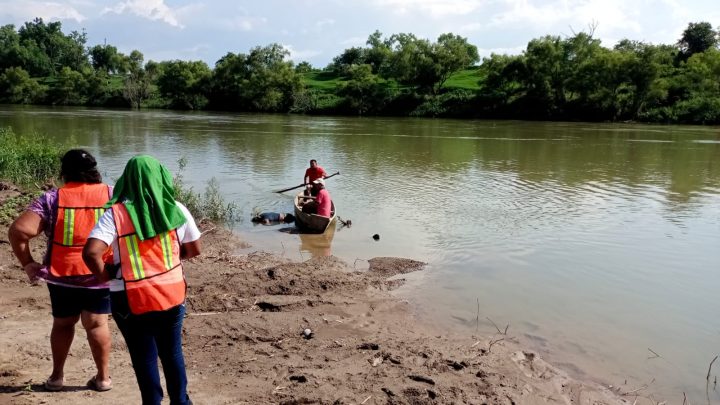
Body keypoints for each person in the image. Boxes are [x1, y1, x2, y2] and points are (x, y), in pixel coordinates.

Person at [82, 155, 201, 405]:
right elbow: (193, 249)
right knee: (172, 353)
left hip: (129, 298)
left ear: (127, 180)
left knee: (144, 357)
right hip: (171, 294)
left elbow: (92, 252)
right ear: (162, 178)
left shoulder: (115, 215)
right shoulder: (177, 208)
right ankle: (180, 401)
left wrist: (105, 275)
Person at [7, 149, 113, 392]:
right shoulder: (112, 194)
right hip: (100, 273)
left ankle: (56, 378)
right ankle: (103, 379)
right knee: (97, 323)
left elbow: (18, 231)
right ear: (95, 171)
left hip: (62, 275)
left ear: (64, 173)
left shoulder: (52, 198)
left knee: (63, 323)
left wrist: (28, 263)